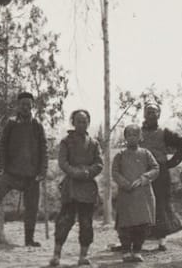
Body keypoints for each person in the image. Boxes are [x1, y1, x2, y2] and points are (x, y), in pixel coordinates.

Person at [0, 91, 48, 247]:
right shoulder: (11, 123)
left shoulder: (37, 125)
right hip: (12, 172)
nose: (26, 107)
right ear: (18, 106)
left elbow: (44, 149)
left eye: (28, 104)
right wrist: (1, 167)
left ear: (32, 106)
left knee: (32, 206)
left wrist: (42, 172)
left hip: (32, 175)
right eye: (22, 105)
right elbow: (3, 146)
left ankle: (29, 239)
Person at [49, 109, 103, 267]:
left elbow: (99, 164)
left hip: (87, 187)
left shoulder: (94, 143)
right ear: (73, 122)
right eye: (78, 121)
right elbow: (62, 162)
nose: (82, 124)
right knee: (65, 220)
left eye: (85, 121)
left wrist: (88, 172)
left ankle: (83, 256)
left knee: (86, 222)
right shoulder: (66, 141)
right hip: (71, 187)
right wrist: (75, 172)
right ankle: (56, 255)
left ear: (88, 123)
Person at [138, 99, 182, 251]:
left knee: (161, 203)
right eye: (148, 112)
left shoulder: (164, 132)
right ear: (144, 114)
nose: (151, 114)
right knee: (140, 204)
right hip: (141, 173)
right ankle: (139, 238)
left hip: (160, 174)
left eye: (154, 112)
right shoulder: (138, 132)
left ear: (158, 115)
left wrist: (171, 163)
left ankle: (161, 240)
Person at [111, 124, 160, 264]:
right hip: (126, 196)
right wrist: (125, 183)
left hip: (143, 195)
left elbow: (156, 168)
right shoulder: (120, 155)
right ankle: (126, 251)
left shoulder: (146, 153)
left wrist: (145, 178)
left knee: (142, 224)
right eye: (129, 135)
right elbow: (115, 172)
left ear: (140, 137)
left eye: (135, 135)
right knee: (125, 225)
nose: (132, 137)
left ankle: (137, 250)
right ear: (125, 137)